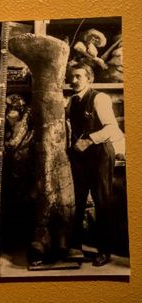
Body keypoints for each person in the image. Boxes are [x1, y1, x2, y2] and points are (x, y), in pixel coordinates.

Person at [66, 62, 125, 266]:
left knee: (102, 200)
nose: (73, 81)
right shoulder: (72, 101)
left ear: (89, 79)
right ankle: (75, 246)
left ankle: (104, 250)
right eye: (71, 76)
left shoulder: (99, 98)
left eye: (78, 77)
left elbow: (112, 129)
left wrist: (89, 140)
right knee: (78, 200)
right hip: (80, 157)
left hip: (99, 154)